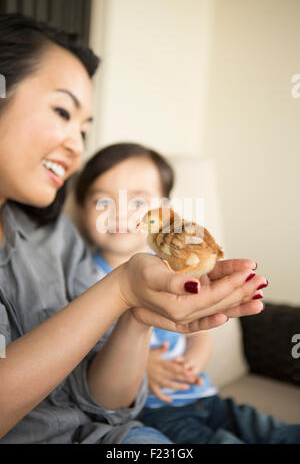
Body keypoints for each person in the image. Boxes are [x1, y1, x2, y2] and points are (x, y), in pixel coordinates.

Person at [0, 13, 265, 444]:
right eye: (63, 111)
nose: (76, 145)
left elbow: (107, 404)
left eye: (84, 129)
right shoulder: (90, 260)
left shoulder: (56, 239)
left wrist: (139, 315)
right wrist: (120, 290)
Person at [76, 143, 300, 444]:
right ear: (81, 208)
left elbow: (198, 333)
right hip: (158, 407)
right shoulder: (86, 278)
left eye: (138, 201)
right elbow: (87, 352)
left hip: (204, 395)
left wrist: (190, 364)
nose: (120, 213)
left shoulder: (175, 265)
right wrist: (144, 367)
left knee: (272, 431)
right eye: (103, 201)